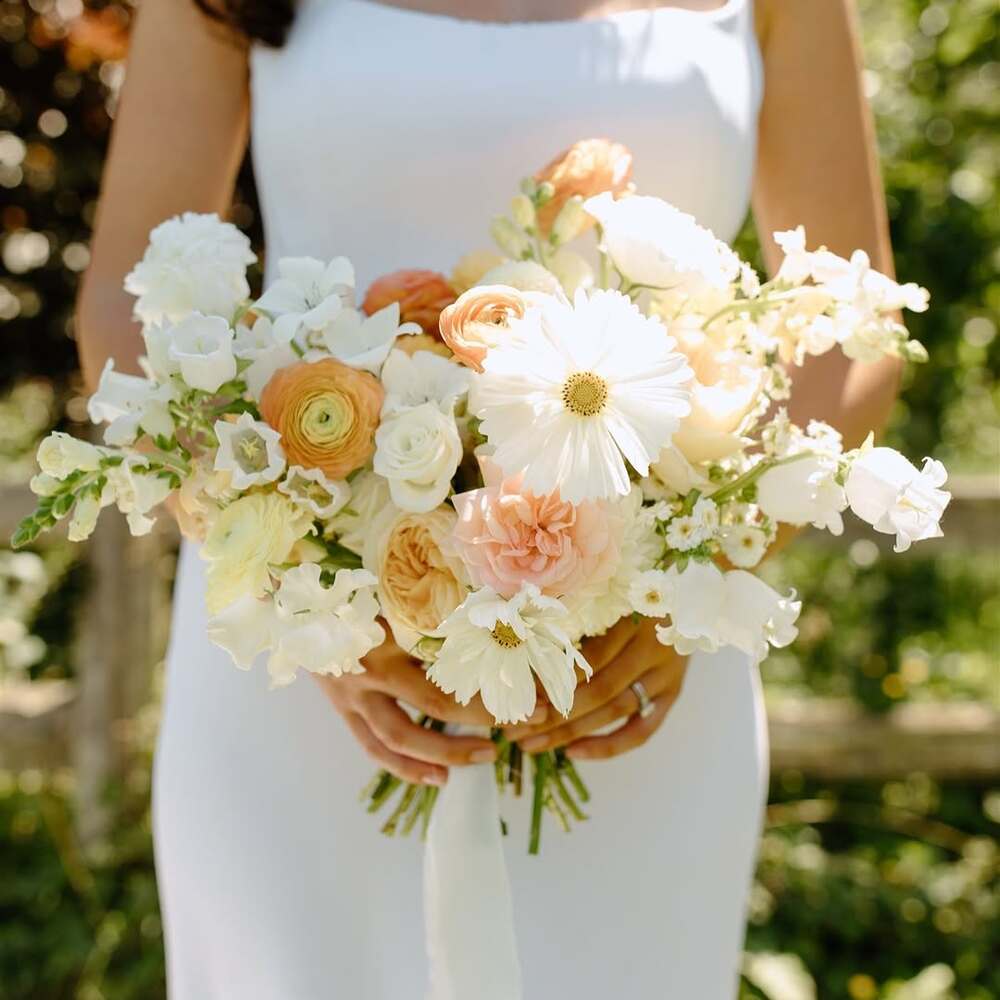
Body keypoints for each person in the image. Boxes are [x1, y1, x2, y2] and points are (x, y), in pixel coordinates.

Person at [77, 0, 902, 996]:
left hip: (636, 672)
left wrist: (707, 564)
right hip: (306, 668)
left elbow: (855, 330)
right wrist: (308, 597)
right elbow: (125, 308)